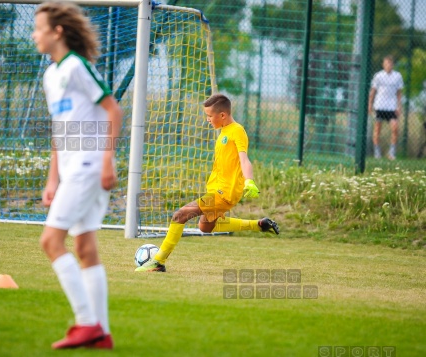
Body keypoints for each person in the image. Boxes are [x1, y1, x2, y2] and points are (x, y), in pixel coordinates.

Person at [32, 2, 122, 349]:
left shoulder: (76, 67)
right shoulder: (51, 75)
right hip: (73, 171)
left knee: (50, 242)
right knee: (84, 247)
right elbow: (61, 130)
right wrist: (52, 178)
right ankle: (103, 334)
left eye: (38, 28)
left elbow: (113, 108)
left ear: (57, 32)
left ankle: (87, 324)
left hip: (89, 166)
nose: (34, 35)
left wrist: (107, 159)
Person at [135, 93, 279, 273]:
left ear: (222, 115)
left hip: (223, 193)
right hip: (218, 191)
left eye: (210, 116)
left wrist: (249, 181)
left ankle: (158, 262)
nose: (207, 120)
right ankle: (259, 225)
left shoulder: (237, 131)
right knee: (205, 226)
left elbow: (244, 159)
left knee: (180, 215)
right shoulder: (224, 132)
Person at [368, 55, 404, 160]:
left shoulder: (397, 76)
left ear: (393, 65)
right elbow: (373, 91)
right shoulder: (378, 76)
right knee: (377, 129)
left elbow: (399, 93)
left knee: (395, 128)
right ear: (383, 64)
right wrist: (370, 104)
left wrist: (399, 106)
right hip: (379, 106)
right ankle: (377, 153)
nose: (388, 65)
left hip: (392, 107)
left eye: (390, 63)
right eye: (386, 63)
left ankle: (391, 153)